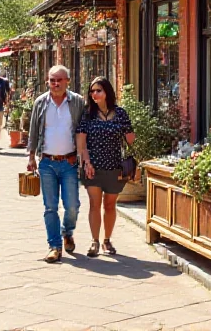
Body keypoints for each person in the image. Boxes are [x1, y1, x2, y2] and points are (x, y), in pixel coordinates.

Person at [27, 65, 86, 263]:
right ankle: (54, 246)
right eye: (52, 80)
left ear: (67, 81)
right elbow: (34, 130)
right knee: (50, 207)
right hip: (47, 163)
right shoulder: (41, 102)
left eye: (59, 80)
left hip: (69, 162)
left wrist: (81, 156)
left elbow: (83, 130)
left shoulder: (77, 102)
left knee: (72, 206)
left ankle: (67, 231)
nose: (55, 84)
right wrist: (31, 157)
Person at [76, 76, 135, 258]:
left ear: (107, 92)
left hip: (114, 166)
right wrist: (86, 162)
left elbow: (131, 140)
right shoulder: (88, 114)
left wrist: (128, 129)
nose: (94, 94)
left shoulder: (120, 113)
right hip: (92, 166)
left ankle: (107, 240)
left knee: (110, 205)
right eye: (92, 91)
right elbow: (81, 142)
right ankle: (94, 241)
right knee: (95, 204)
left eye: (98, 90)